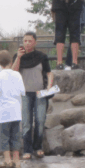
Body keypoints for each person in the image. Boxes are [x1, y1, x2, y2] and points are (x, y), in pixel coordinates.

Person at [12, 31, 54, 160]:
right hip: (25, 94)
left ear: (35, 42)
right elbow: (13, 72)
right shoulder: (18, 56)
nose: (27, 43)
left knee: (40, 120)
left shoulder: (41, 56)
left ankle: (38, 147)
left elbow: (49, 73)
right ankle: (27, 150)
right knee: (26, 122)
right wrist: (18, 57)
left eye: (30, 41)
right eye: (25, 41)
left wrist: (49, 86)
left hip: (40, 93)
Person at [0, 50, 26, 168]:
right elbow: (23, 91)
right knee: (16, 135)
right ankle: (17, 161)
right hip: (16, 111)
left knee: (4, 136)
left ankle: (7, 160)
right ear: (11, 61)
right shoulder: (17, 75)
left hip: (4, 112)